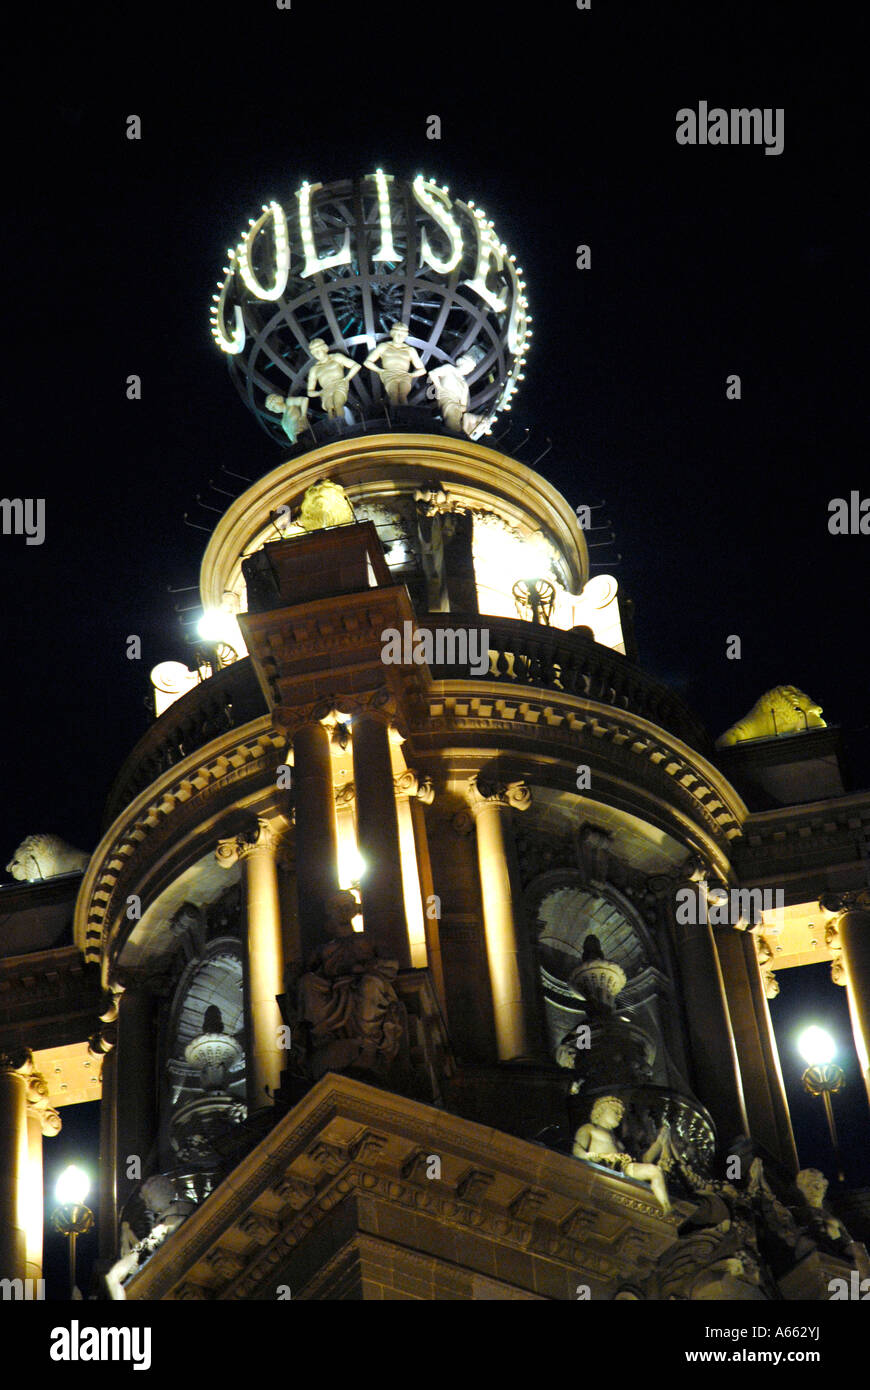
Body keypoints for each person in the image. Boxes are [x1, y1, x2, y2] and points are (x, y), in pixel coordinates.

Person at [573, 1095, 672, 1212]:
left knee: (655, 1171)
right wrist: (592, 1156)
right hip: (604, 1167)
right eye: (616, 1112)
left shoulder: (617, 1139)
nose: (620, 1116)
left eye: (621, 1114)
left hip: (624, 1166)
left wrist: (659, 1142)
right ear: (601, 1111)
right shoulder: (589, 1129)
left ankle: (666, 1207)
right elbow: (577, 1149)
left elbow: (644, 1160)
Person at [364, 322, 426, 405]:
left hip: (404, 375)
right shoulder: (384, 346)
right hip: (389, 374)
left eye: (402, 335)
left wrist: (411, 375)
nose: (400, 336)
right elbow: (367, 362)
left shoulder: (410, 350)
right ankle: (394, 415)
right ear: (392, 333)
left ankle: (404, 416)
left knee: (403, 396)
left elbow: (422, 370)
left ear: (405, 336)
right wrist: (380, 371)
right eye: (397, 334)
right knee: (394, 395)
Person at [306, 339, 361, 417]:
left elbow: (356, 366)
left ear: (324, 348)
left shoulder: (336, 357)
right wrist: (319, 393)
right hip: (326, 390)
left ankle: (344, 424)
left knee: (337, 404)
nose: (317, 354)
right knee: (330, 409)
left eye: (318, 350)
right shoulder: (314, 369)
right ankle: (337, 427)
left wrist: (346, 379)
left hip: (339, 384)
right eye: (314, 353)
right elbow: (309, 392)